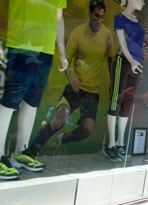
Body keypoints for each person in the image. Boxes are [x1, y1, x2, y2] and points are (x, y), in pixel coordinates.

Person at [23, 0, 115, 161]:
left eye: (102, 17)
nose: (99, 20)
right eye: (96, 16)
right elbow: (65, 59)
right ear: (90, 14)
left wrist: (113, 82)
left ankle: (64, 138)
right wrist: (71, 74)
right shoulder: (78, 33)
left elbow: (111, 61)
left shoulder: (107, 35)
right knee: (58, 120)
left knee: (87, 129)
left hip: (93, 92)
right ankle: (31, 151)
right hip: (75, 89)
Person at [0, 0, 68, 179]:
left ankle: (20, 152)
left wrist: (61, 51)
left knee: (32, 102)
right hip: (21, 43)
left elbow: (59, 17)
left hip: (45, 49)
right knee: (10, 100)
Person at [104, 0, 145, 161]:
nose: (143, 3)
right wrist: (132, 61)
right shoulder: (119, 18)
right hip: (124, 60)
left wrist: (138, 62)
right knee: (116, 98)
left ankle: (120, 143)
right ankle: (111, 144)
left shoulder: (138, 20)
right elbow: (121, 42)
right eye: (141, 0)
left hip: (137, 63)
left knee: (127, 102)